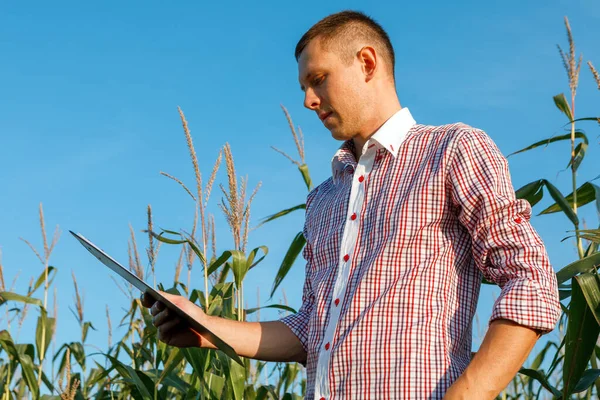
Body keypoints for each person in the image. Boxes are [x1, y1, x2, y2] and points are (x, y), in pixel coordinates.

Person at [142, 10, 561, 399]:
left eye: (319, 79)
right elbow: (310, 330)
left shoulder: (452, 150)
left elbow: (531, 281)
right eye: (305, 87)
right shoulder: (323, 199)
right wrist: (207, 327)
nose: (308, 99)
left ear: (366, 62)